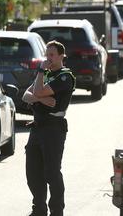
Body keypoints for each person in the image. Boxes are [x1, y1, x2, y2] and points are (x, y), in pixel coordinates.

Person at [22, 41, 75, 216]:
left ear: (61, 56)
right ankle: (39, 209)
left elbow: (36, 92)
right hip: (37, 127)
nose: (48, 58)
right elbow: (26, 95)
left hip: (53, 127)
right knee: (33, 171)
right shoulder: (45, 74)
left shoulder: (65, 76)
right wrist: (41, 99)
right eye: (47, 54)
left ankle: (56, 211)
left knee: (51, 172)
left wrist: (39, 78)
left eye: (52, 55)